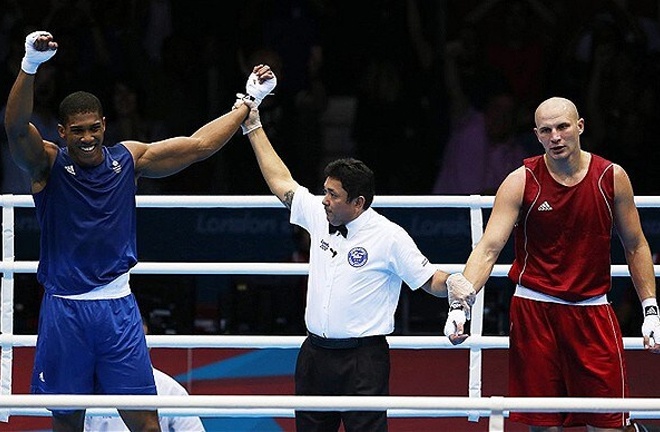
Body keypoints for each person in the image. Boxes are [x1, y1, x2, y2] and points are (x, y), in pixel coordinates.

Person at [3, 30, 275, 432]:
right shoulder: (47, 164)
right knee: (67, 423)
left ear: (104, 124)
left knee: (146, 424)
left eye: (94, 128)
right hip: (65, 309)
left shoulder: (128, 158)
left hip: (118, 310)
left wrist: (248, 102)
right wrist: (30, 65)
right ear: (61, 132)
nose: (87, 138)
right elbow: (14, 128)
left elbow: (198, 145)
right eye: (77, 130)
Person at [235, 65, 450, 432]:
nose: (325, 200)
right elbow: (280, 180)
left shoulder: (389, 236)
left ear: (359, 202)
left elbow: (430, 279)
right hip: (315, 354)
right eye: (325, 191)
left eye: (333, 195)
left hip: (363, 360)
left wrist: (462, 286)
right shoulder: (320, 215)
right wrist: (253, 125)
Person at [443, 96, 660, 431]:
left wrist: (650, 308)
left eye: (562, 127)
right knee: (543, 425)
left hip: (592, 311)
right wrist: (460, 304)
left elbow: (636, 245)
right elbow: (489, 247)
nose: (555, 136)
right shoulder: (521, 180)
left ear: (580, 127)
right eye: (546, 130)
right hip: (535, 311)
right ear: (536, 134)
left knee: (608, 424)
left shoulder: (611, 177)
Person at [84, 317, 205, 432]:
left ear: (149, 345)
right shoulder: (88, 385)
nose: (130, 350)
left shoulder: (171, 390)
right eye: (125, 342)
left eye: (137, 342)